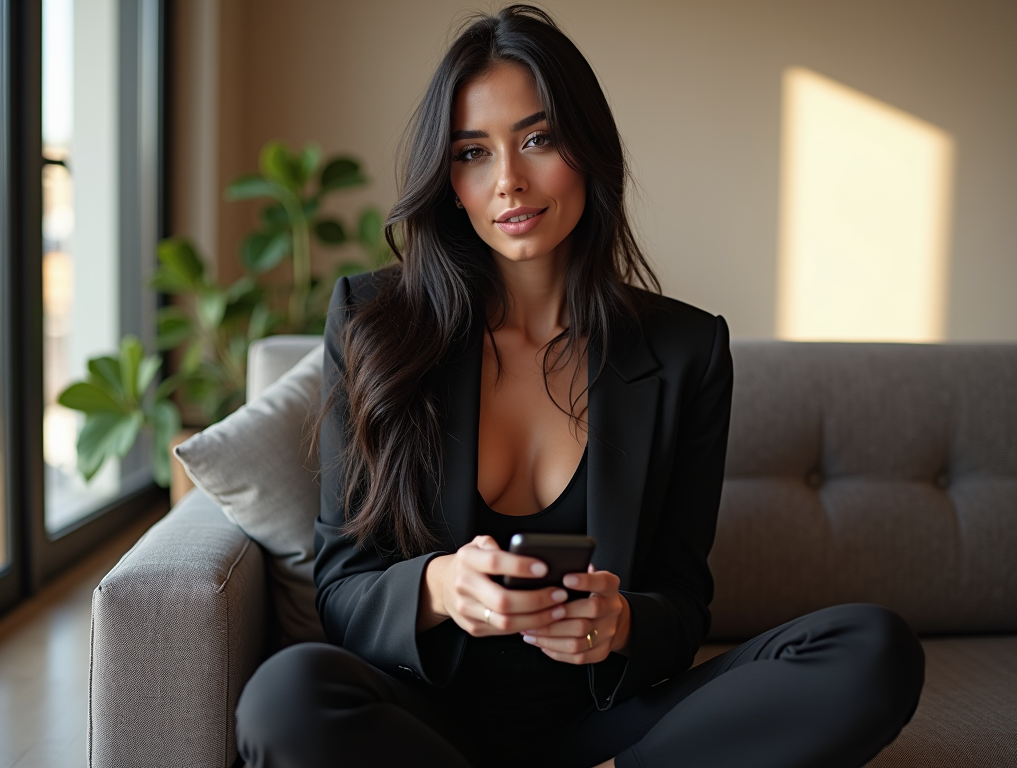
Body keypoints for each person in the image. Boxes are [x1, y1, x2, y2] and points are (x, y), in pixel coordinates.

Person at [235, 6, 924, 767]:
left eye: (538, 139)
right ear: (448, 180)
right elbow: (342, 585)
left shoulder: (687, 350)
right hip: (429, 724)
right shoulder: (373, 321)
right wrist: (436, 588)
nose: (509, 182)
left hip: (608, 731)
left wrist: (620, 622)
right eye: (472, 152)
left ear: (587, 149)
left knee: (872, 647)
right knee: (284, 697)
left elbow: (682, 603)